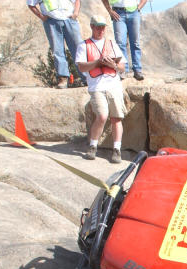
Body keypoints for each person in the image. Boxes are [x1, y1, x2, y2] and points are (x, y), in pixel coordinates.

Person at [75, 15, 127, 164]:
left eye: (103, 27)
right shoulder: (84, 45)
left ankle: (117, 149)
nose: (100, 30)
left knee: (116, 117)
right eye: (97, 26)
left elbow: (122, 67)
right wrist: (98, 63)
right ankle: (93, 146)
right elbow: (81, 66)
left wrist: (114, 65)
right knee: (102, 116)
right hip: (96, 86)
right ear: (91, 26)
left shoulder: (112, 44)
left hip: (113, 85)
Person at [27, 0, 82, 89]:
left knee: (78, 49)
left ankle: (85, 77)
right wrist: (41, 16)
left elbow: (77, 1)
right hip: (52, 21)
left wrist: (75, 13)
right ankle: (63, 78)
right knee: (58, 50)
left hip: (69, 19)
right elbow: (30, 4)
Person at [102, 0, 147, 80]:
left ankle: (137, 70)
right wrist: (110, 10)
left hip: (134, 12)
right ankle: (123, 70)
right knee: (120, 43)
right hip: (118, 12)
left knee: (135, 42)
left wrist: (139, 8)